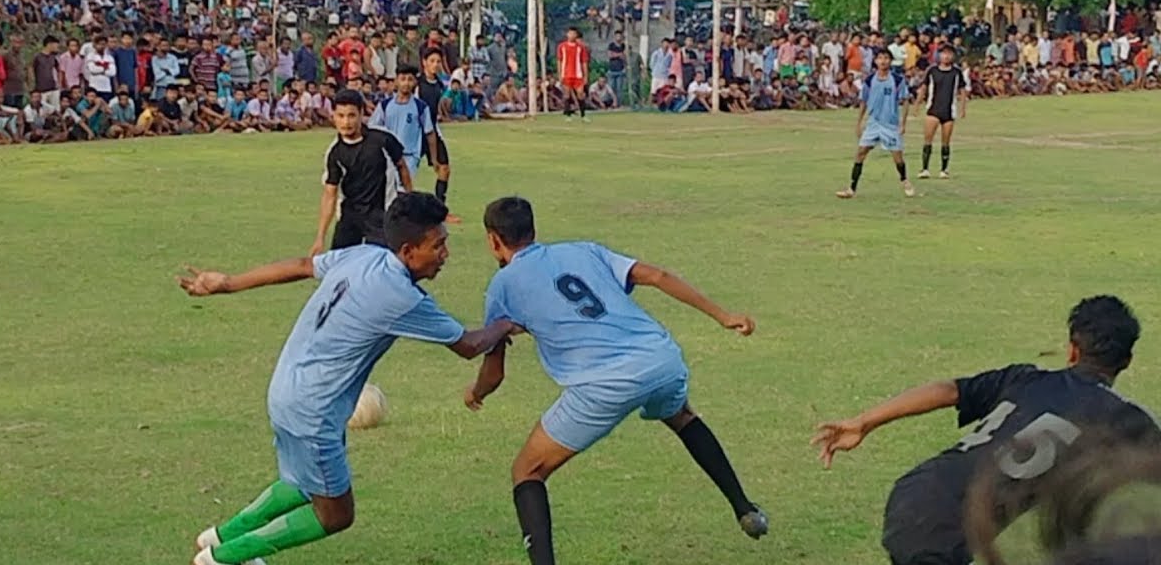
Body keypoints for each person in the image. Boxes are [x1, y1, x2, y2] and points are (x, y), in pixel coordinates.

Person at [180, 192, 517, 565]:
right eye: (437, 246)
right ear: (408, 251)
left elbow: (302, 265)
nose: (445, 254)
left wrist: (229, 283)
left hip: (286, 389)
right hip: (314, 410)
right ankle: (223, 558)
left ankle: (220, 537)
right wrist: (507, 323)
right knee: (335, 514)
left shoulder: (365, 255)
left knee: (300, 484)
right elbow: (469, 345)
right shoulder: (400, 296)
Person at [465, 197, 769, 565]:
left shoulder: (502, 285)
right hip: (661, 359)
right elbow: (657, 277)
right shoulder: (583, 250)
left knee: (527, 470)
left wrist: (475, 393)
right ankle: (744, 508)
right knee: (680, 415)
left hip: (603, 384)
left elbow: (494, 372)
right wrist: (723, 316)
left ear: (493, 240)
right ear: (533, 230)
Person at [811, 295, 1159, 565]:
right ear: (1127, 360)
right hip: (946, 526)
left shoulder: (1023, 378)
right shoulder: (1124, 417)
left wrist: (865, 421)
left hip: (916, 488)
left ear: (1072, 350)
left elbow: (948, 389)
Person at [310, 89, 414, 255]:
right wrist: (320, 237)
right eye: (341, 116)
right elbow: (330, 193)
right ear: (333, 116)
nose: (346, 122)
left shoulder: (382, 140)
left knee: (384, 262)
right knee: (339, 262)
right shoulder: (335, 152)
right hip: (351, 216)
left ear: (361, 114)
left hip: (382, 214)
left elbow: (402, 167)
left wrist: (409, 201)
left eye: (351, 115)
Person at [836, 48, 915, 199]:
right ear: (876, 61)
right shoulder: (869, 80)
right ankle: (851, 189)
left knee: (897, 157)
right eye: (880, 58)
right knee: (860, 153)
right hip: (873, 123)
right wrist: (859, 122)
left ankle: (904, 180)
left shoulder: (897, 80)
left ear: (890, 61)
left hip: (890, 124)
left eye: (886, 58)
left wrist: (903, 124)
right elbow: (863, 101)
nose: (883, 61)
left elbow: (905, 101)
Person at [369, 65, 436, 187]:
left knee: (404, 188)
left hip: (410, 155)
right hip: (388, 154)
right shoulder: (385, 105)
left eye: (410, 79)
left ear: (415, 82)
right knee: (388, 188)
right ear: (396, 81)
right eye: (403, 79)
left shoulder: (420, 107)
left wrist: (434, 158)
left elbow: (429, 133)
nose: (406, 83)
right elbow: (373, 129)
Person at [917, 44, 969, 180]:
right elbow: (924, 87)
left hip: (949, 110)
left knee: (946, 141)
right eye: (944, 53)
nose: (946, 56)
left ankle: (944, 169)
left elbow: (962, 90)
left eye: (949, 53)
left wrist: (963, 108)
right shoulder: (932, 70)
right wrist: (917, 104)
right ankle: (925, 168)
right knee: (928, 139)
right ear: (939, 55)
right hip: (933, 109)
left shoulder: (956, 72)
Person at [415, 50, 456, 216]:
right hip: (416, 133)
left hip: (432, 130)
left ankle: (440, 209)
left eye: (438, 61)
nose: (435, 64)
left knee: (444, 168)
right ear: (424, 62)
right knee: (405, 170)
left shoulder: (440, 84)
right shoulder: (417, 83)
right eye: (432, 61)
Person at [557, 27, 591, 121]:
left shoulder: (580, 47)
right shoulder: (562, 46)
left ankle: (583, 115)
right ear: (567, 34)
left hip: (578, 74)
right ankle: (568, 115)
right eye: (570, 33)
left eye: (574, 34)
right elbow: (559, 61)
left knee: (580, 93)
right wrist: (559, 74)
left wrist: (586, 76)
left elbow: (584, 62)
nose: (572, 35)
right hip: (566, 74)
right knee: (567, 95)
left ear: (576, 35)